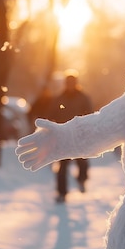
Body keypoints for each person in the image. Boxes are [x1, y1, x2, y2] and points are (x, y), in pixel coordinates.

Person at [47, 71, 93, 203]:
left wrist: (87, 130)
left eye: (72, 83)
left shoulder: (84, 98)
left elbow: (90, 115)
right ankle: (62, 193)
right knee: (62, 167)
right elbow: (50, 115)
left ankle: (82, 179)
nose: (70, 85)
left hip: (79, 136)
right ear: (65, 84)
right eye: (68, 83)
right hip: (63, 137)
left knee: (82, 162)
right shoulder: (58, 99)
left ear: (76, 84)